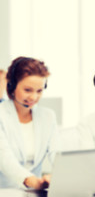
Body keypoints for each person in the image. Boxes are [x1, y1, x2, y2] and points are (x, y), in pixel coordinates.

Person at [0, 57, 59, 190]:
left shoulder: (48, 116)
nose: (34, 97)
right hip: (5, 191)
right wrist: (31, 181)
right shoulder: (1, 115)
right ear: (12, 86)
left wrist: (60, 176)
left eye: (39, 91)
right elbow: (4, 159)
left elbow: (56, 153)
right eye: (28, 90)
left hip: (35, 192)